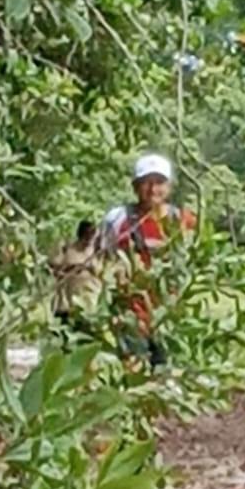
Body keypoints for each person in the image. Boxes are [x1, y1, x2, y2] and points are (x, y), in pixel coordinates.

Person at [99, 154, 197, 368]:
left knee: (169, 374)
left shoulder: (183, 220)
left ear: (169, 186)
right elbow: (103, 260)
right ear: (135, 186)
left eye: (159, 182)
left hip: (168, 316)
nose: (153, 189)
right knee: (134, 374)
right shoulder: (118, 219)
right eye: (146, 183)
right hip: (130, 317)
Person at [49, 219, 102, 336]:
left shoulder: (96, 251)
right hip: (68, 300)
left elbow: (101, 273)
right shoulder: (68, 250)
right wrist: (73, 268)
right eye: (86, 236)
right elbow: (55, 269)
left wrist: (89, 267)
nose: (88, 240)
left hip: (89, 300)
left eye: (92, 236)